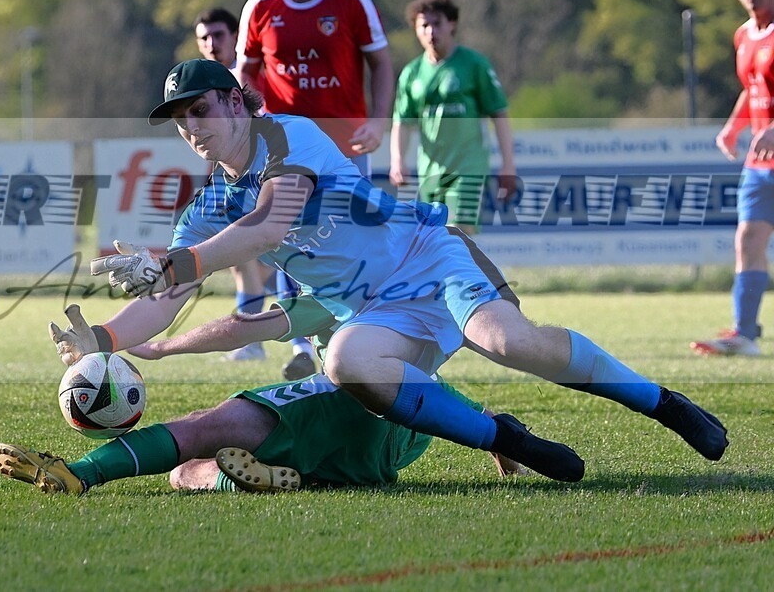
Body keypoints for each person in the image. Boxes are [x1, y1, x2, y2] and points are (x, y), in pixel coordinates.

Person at [87, 59, 728, 481]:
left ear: (236, 103)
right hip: (374, 310)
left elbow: (270, 224)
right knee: (345, 361)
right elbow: (169, 295)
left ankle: (662, 402)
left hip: (429, 255)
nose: (191, 128)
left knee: (509, 342)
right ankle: (501, 436)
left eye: (200, 110)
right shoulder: (205, 208)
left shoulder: (287, 134)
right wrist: (105, 339)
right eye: (180, 120)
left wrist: (173, 263)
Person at [0, 304, 524, 495]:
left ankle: (82, 473)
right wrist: (501, 437)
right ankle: (245, 478)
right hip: (387, 448)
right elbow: (462, 407)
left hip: (342, 399)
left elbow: (235, 329)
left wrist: (141, 345)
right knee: (188, 472)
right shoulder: (424, 289)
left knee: (203, 427)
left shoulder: (339, 284)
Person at [235, 0, 395, 380]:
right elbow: (243, 74)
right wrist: (255, 123)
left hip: (345, 146)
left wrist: (378, 121)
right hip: (284, 152)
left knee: (349, 237)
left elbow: (381, 64)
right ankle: (305, 343)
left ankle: (362, 329)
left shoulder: (350, 0)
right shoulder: (260, 8)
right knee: (288, 236)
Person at [691, 0, 774, 358]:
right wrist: (733, 125)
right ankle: (745, 334)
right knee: (748, 239)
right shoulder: (743, 36)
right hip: (761, 162)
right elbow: (753, 88)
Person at [389, 0, 518, 235]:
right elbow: (402, 122)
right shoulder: (412, 73)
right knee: (437, 236)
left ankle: (465, 274)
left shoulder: (474, 64)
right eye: (424, 25)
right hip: (430, 169)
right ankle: (458, 274)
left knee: (458, 230)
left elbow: (499, 113)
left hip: (468, 166)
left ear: (452, 24)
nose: (431, 31)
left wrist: (508, 164)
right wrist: (398, 159)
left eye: (437, 23)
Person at [194, 7, 270, 362]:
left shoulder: (248, 75)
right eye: (204, 37)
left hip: (269, 174)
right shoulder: (207, 84)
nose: (211, 43)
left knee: (254, 256)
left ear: (236, 37)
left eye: (218, 35)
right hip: (236, 181)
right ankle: (254, 337)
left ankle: (256, 337)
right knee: (245, 261)